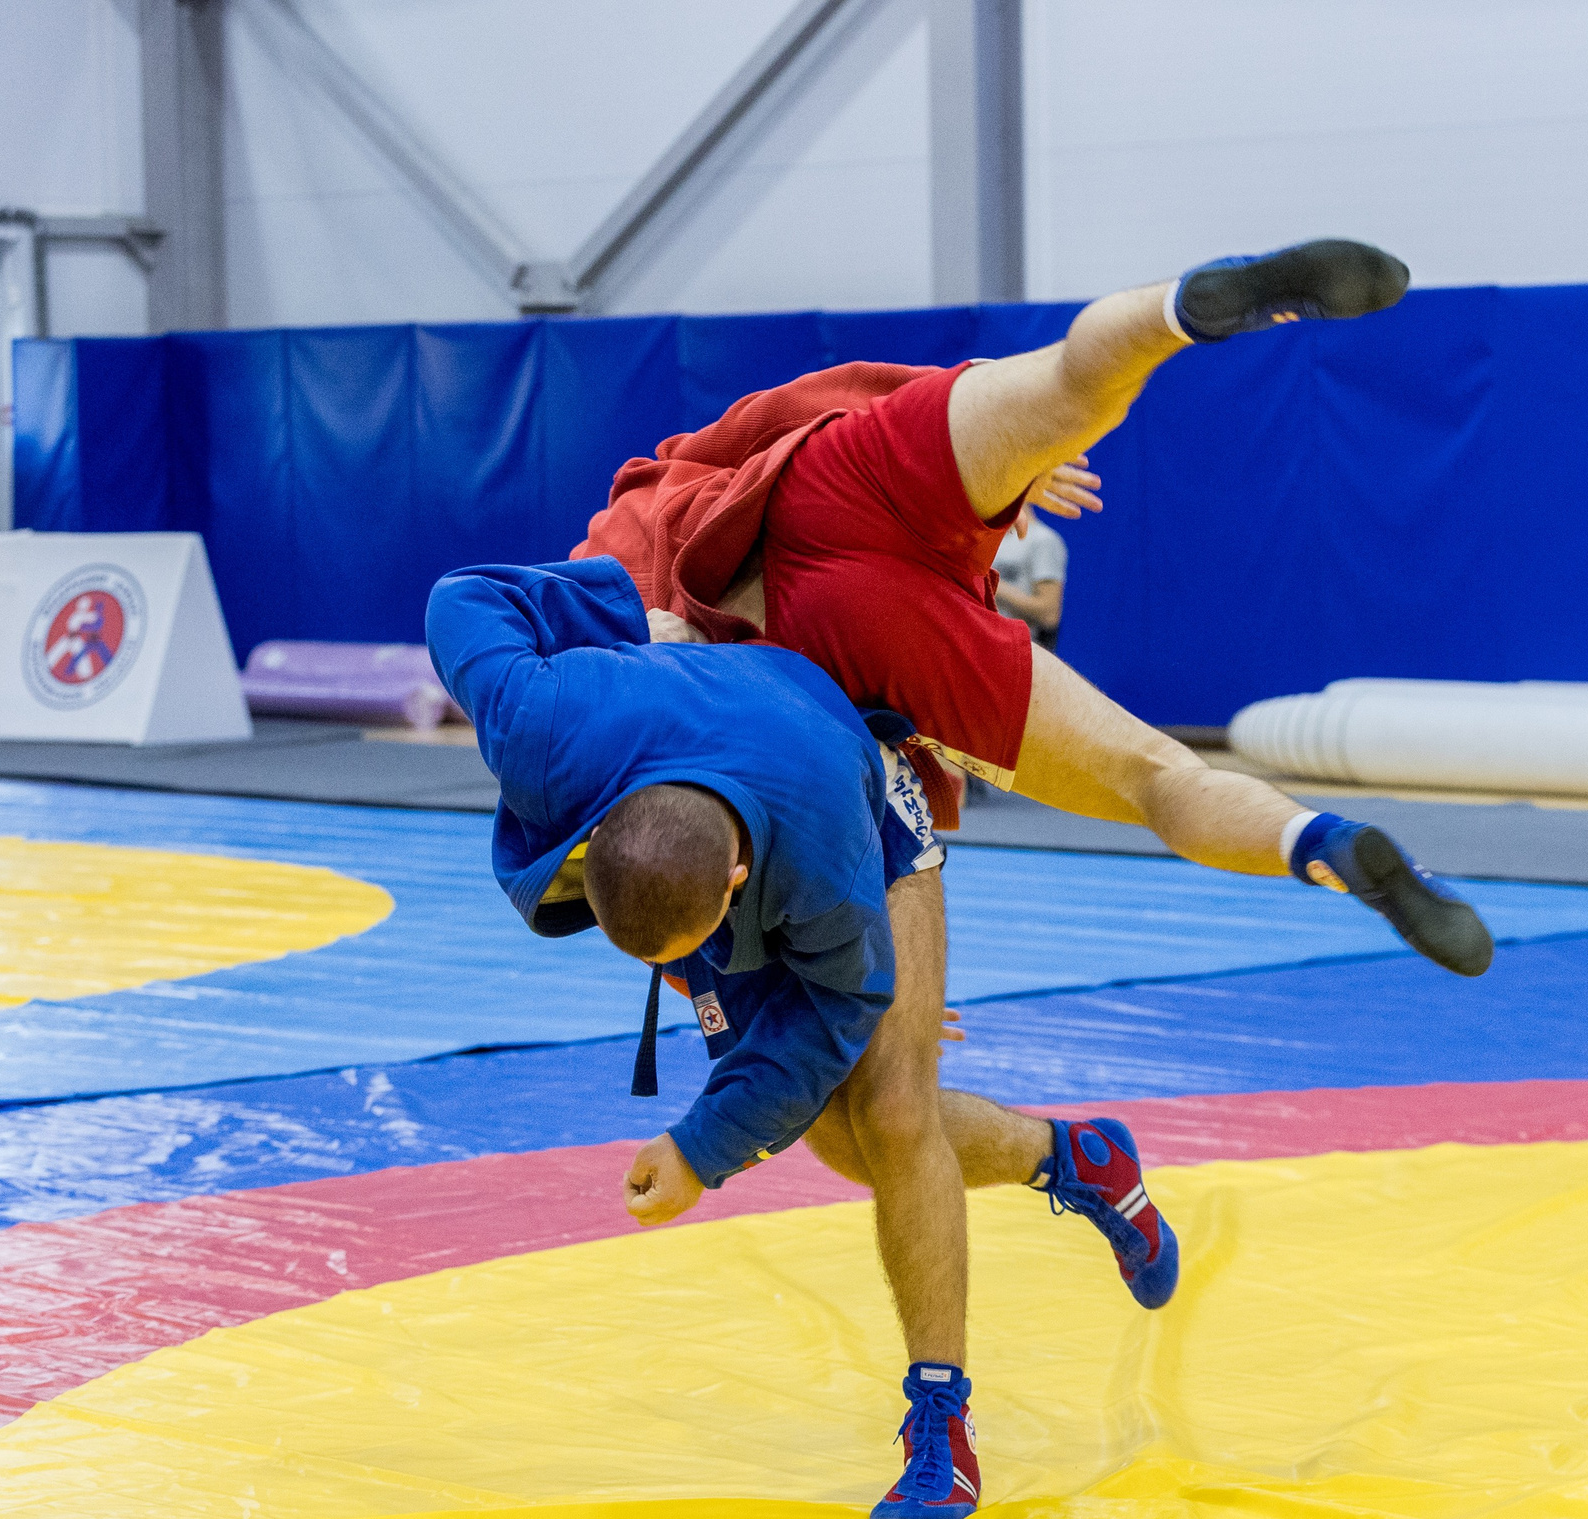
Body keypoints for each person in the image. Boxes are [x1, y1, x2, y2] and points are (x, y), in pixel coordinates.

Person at [426, 554, 1181, 1519]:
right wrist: (624, 607)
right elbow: (461, 597)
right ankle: (1075, 1158)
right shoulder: (545, 726)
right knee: (829, 1133)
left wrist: (701, 1146)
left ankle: (938, 1417)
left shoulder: (823, 845)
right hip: (702, 785)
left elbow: (840, 1000)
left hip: (859, 803)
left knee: (892, 1104)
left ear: (736, 881)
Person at [588, 238, 1495, 979]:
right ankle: (1183, 307)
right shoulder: (595, 584)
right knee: (1070, 385)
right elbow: (778, 416)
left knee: (1156, 780)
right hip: (822, 492)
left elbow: (732, 862)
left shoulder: (622, 763)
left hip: (826, 645)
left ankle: (1321, 841)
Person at [991, 510, 1065, 649]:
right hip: (981, 645)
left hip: (1015, 650)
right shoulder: (988, 537)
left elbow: (1049, 614)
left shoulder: (1043, 540)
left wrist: (992, 585)